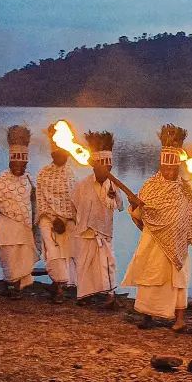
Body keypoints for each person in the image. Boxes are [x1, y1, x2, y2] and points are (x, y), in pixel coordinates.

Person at [125, 124, 192, 332]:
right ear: (161, 165)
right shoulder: (150, 186)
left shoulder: (185, 187)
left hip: (178, 243)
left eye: (173, 167)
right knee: (151, 276)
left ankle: (180, 319)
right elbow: (140, 213)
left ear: (178, 166)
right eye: (166, 167)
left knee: (178, 280)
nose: (169, 171)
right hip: (154, 241)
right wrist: (134, 205)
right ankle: (147, 315)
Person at [71, 130, 124, 306]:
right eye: (101, 167)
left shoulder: (113, 184)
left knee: (107, 262)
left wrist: (113, 194)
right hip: (86, 230)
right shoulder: (82, 185)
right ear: (93, 166)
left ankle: (110, 295)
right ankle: (85, 294)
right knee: (85, 263)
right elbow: (75, 205)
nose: (105, 171)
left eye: (108, 168)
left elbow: (120, 205)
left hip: (104, 231)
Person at [0, 124, 37, 298]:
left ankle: (16, 288)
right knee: (8, 258)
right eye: (15, 163)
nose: (18, 167)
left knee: (23, 258)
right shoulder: (1, 179)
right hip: (7, 226)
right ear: (10, 161)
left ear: (26, 162)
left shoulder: (29, 178)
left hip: (24, 227)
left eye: (22, 163)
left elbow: (35, 201)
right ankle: (11, 283)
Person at [36, 124, 79, 302]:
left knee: (69, 251)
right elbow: (41, 199)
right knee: (53, 253)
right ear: (52, 154)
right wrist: (54, 219)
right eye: (58, 154)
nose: (62, 157)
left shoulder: (71, 173)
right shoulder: (43, 173)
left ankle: (62, 284)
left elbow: (73, 200)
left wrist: (66, 218)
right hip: (48, 218)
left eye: (65, 153)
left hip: (68, 219)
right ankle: (59, 287)